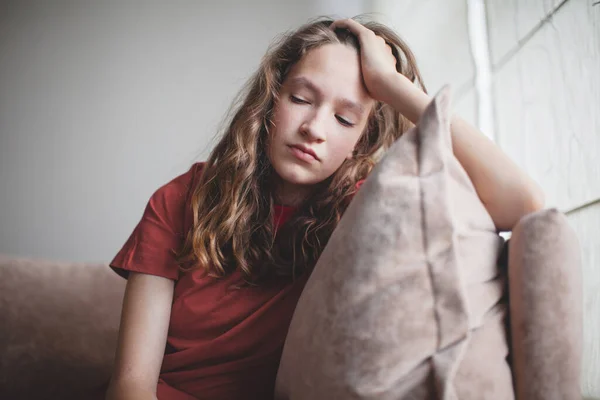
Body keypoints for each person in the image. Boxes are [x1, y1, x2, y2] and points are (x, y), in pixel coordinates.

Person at [105, 16, 544, 400]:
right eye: (300, 99)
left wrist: (394, 88)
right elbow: (130, 385)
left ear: (364, 138)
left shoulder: (363, 210)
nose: (314, 128)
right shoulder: (182, 199)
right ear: (270, 101)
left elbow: (521, 203)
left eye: (345, 119)